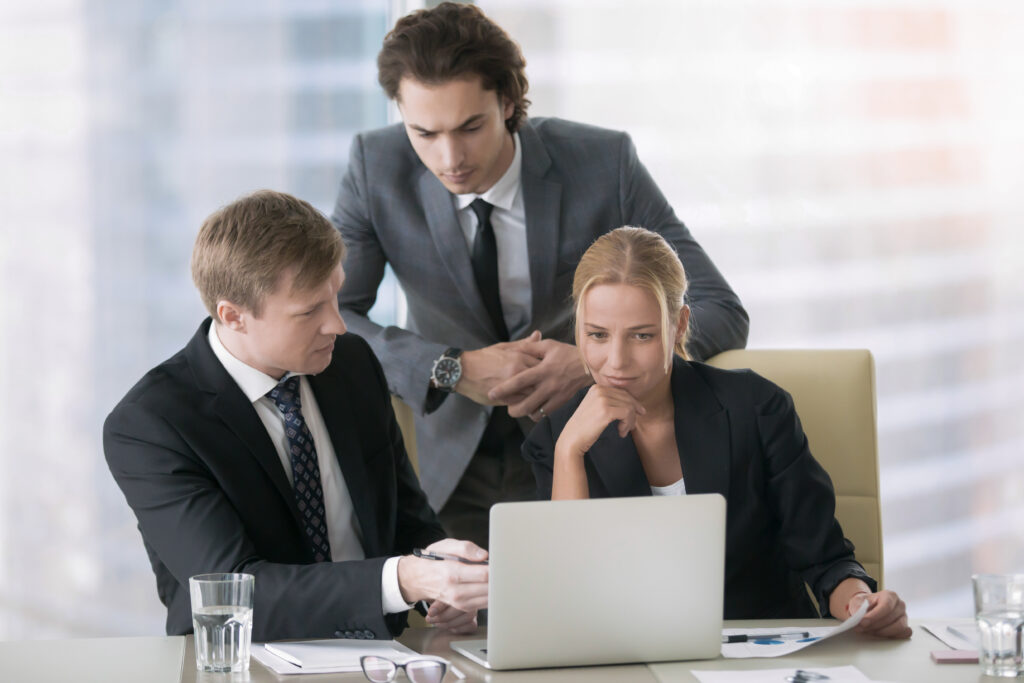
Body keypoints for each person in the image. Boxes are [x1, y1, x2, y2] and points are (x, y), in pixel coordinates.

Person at [332, 2, 749, 548]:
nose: (449, 158)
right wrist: (448, 368)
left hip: (592, 452)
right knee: (458, 626)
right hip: (449, 470)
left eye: (471, 127)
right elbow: (332, 315)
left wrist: (590, 362)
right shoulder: (375, 166)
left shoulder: (603, 163)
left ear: (508, 102)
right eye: (424, 133)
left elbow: (720, 308)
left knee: (594, 618)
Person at [104, 190, 487, 641]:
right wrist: (404, 580)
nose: (338, 325)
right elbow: (233, 596)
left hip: (383, 656)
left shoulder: (351, 364)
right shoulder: (151, 425)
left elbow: (406, 522)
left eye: (336, 297)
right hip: (242, 664)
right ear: (234, 316)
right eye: (309, 311)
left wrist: (438, 581)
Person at [521, 227, 911, 637]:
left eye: (642, 335)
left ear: (680, 326)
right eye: (597, 335)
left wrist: (859, 602)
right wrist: (569, 454)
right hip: (627, 660)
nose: (616, 362)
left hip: (757, 657)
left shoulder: (756, 408)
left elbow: (825, 560)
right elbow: (564, 602)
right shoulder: (555, 440)